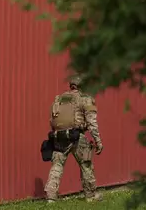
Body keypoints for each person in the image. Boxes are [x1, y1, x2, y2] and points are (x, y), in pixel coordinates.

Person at [44, 73, 104, 203]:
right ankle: (91, 196)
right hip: (77, 137)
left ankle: (50, 197)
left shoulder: (59, 99)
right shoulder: (85, 98)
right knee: (86, 165)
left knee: (57, 165)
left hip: (59, 136)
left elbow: (52, 120)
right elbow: (92, 123)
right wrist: (98, 141)